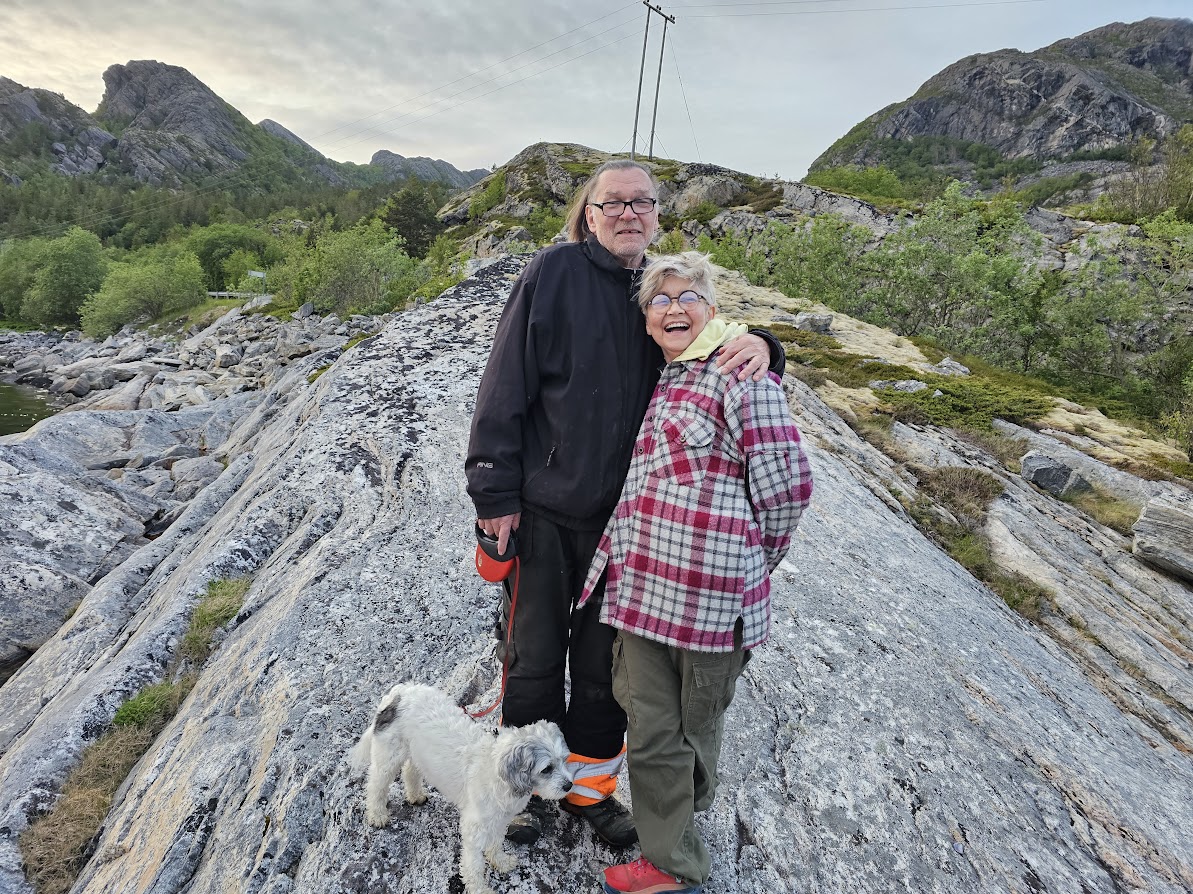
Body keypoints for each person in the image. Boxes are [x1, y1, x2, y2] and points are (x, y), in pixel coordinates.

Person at [465, 160, 785, 849]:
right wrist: (492, 487)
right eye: (612, 203)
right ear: (589, 214)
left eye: (641, 203)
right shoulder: (551, 272)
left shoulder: (656, 291)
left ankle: (588, 790)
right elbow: (505, 381)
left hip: (627, 530)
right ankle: (519, 790)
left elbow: (713, 343)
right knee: (532, 657)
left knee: (602, 671)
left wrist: (765, 345)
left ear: (658, 215)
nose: (627, 214)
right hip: (543, 512)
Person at [579, 252, 813, 894]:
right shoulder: (664, 378)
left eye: (688, 297)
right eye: (660, 300)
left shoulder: (741, 378)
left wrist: (749, 562)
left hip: (710, 605)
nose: (674, 308)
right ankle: (672, 861)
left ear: (712, 309)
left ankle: (677, 824)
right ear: (647, 320)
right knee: (652, 728)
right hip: (642, 593)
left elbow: (789, 489)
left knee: (696, 727)